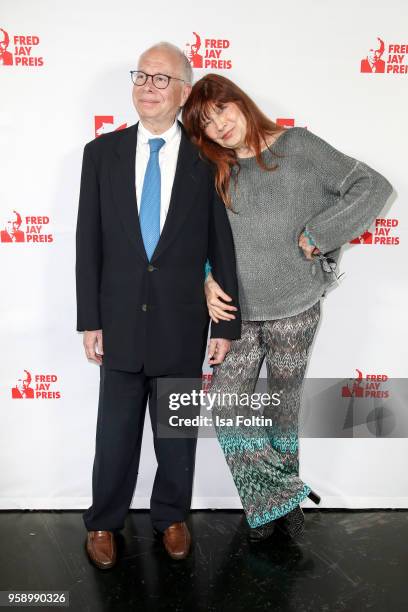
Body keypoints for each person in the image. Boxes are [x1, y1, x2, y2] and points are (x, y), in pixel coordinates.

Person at [182, 73, 393, 542]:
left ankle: (279, 511)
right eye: (207, 124)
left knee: (282, 408)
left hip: (295, 304)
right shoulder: (211, 166)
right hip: (234, 313)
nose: (219, 127)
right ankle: (279, 495)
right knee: (225, 405)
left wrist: (321, 233)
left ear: (240, 102)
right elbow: (192, 231)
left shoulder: (297, 145)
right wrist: (204, 277)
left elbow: (373, 186)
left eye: (223, 111)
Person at [75, 45, 241, 567]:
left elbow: (222, 245)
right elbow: (88, 244)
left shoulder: (207, 158)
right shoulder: (100, 154)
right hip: (119, 323)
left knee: (176, 436)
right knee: (115, 435)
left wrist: (225, 328)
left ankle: (171, 517)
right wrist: (90, 320)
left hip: (182, 324)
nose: (148, 85)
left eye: (162, 78)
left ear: (184, 92)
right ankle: (103, 523)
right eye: (142, 76)